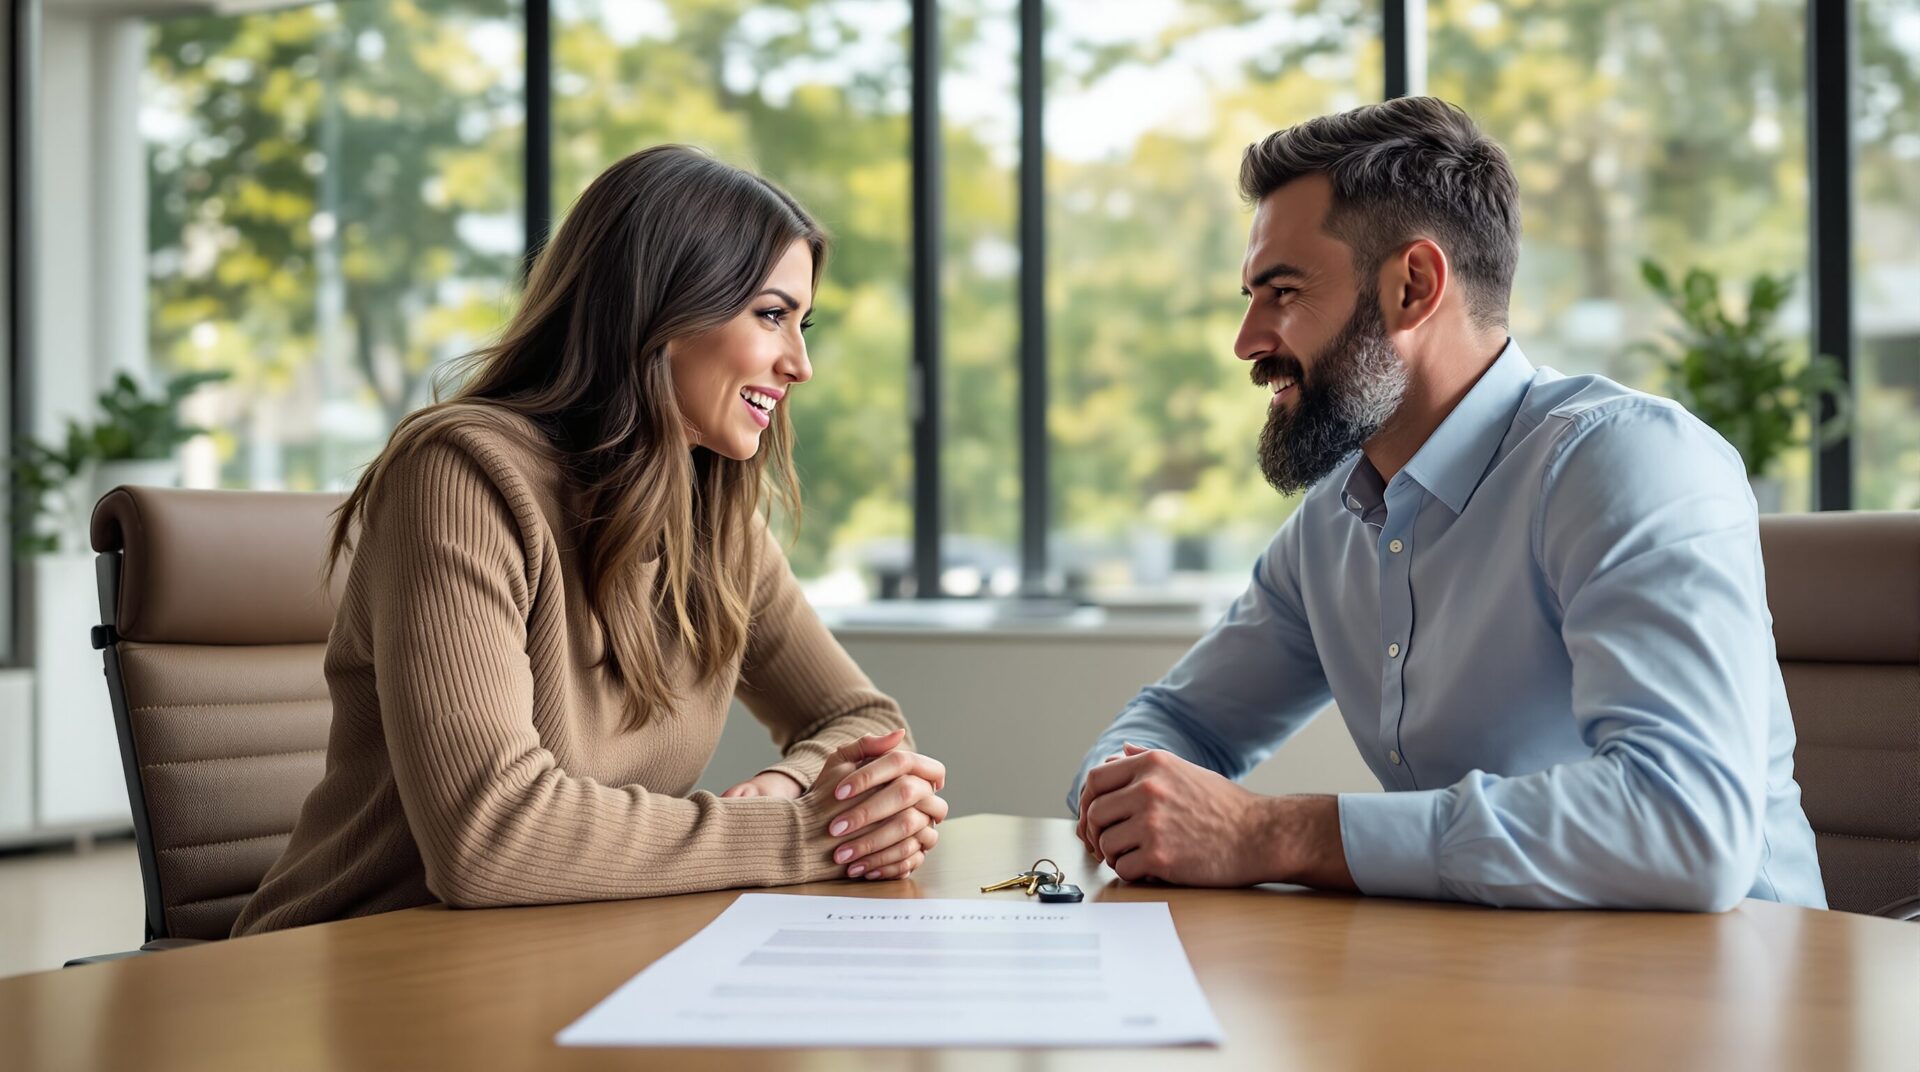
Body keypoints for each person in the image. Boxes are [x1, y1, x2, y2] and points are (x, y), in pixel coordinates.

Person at [1068, 97, 1825, 912]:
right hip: (1493, 993)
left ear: (1414, 286)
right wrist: (1127, 797)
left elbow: (1687, 826)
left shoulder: (1624, 462)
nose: (1248, 340)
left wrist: (1272, 833)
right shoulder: (1333, 524)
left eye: (1281, 291)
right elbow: (1181, 721)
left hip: (1737, 1003)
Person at [235, 146, 946, 936]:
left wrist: (791, 785)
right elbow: (491, 837)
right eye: (771, 315)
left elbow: (863, 720)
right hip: (354, 964)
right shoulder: (462, 476)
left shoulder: (713, 520)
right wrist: (804, 832)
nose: (800, 365)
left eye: (801, 323)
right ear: (661, 311)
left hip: (559, 952)